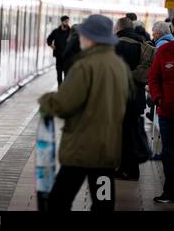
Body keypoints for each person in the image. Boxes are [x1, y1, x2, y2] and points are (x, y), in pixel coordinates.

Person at [38, 15, 129, 212]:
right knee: (103, 203)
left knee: (58, 201)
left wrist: (46, 101)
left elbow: (64, 104)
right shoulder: (119, 65)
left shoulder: (84, 66)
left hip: (82, 150)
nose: (80, 38)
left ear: (90, 38)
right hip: (107, 150)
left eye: (83, 35)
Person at [114, 18, 147, 180]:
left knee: (122, 135)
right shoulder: (143, 44)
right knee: (131, 133)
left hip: (119, 97)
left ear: (118, 28)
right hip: (137, 97)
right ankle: (131, 169)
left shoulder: (116, 45)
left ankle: (126, 169)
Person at [148, 40, 174, 203]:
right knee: (169, 153)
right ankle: (170, 191)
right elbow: (153, 77)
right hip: (167, 112)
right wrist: (157, 97)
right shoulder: (164, 50)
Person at [47, 16, 70, 86]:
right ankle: (60, 89)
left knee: (67, 75)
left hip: (67, 58)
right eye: (66, 21)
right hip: (58, 56)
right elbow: (49, 39)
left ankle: (65, 90)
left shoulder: (71, 32)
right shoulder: (56, 31)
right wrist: (52, 46)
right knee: (59, 75)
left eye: (68, 21)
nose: (67, 23)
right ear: (62, 22)